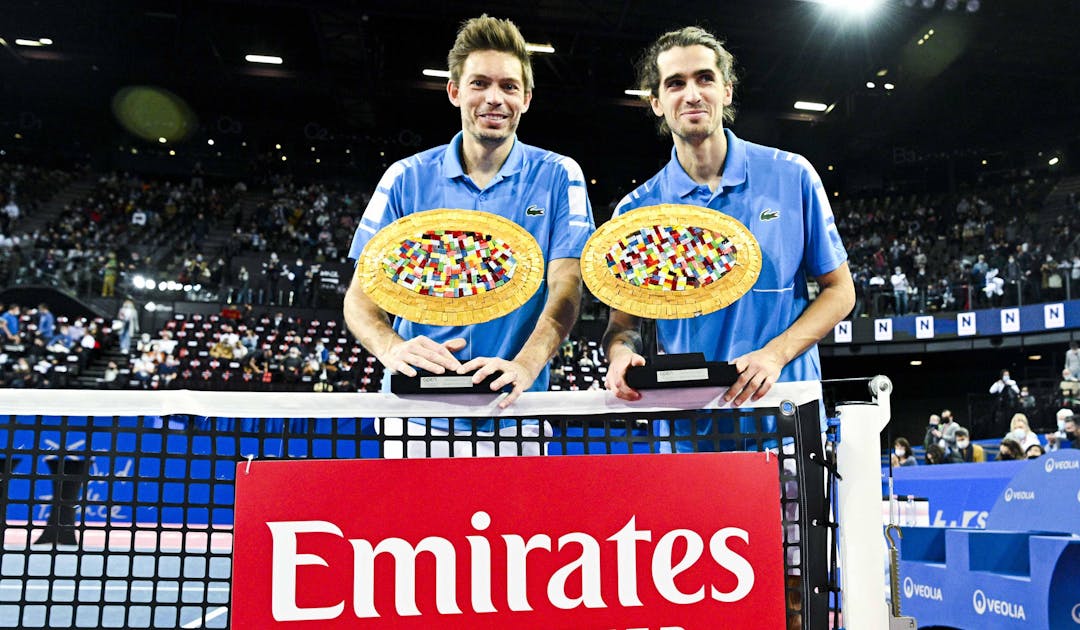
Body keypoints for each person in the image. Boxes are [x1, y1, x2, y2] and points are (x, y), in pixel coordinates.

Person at [343, 15, 593, 455]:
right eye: (479, 83)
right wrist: (391, 348)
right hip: (415, 416)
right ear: (455, 91)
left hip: (517, 414)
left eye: (509, 87)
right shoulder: (404, 178)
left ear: (527, 99)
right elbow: (360, 301)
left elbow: (567, 288)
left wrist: (525, 365)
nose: (494, 98)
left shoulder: (559, 176)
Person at [602, 26, 854, 425]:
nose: (692, 94)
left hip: (786, 422)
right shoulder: (636, 212)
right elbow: (623, 326)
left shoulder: (791, 176)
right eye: (675, 83)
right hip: (690, 432)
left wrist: (776, 354)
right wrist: (620, 354)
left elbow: (840, 291)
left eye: (705, 78)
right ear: (655, 101)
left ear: (727, 91)